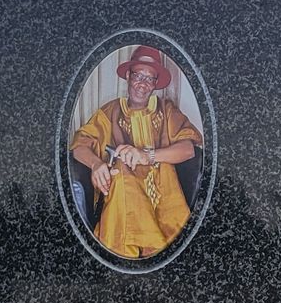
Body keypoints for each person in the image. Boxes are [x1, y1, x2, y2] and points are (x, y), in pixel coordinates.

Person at [68, 46, 204, 259]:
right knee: (120, 169)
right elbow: (79, 146)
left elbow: (188, 150)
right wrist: (96, 165)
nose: (143, 84)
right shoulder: (110, 112)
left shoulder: (167, 111)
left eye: (150, 79)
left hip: (165, 202)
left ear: (155, 84)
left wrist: (147, 155)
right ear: (129, 77)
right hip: (122, 199)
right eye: (139, 76)